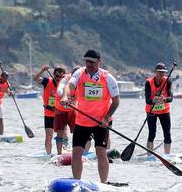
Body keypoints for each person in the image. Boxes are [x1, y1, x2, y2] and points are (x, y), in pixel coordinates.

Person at [65, 50, 120, 183]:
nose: (89, 64)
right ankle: (77, 182)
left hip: (101, 122)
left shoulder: (108, 78)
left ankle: (103, 183)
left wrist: (106, 118)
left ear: (99, 62)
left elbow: (116, 101)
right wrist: (66, 95)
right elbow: (70, 85)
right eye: (87, 61)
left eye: (92, 62)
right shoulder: (80, 73)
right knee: (76, 153)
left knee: (101, 152)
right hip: (82, 121)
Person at [33, 65, 70, 155]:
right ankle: (48, 155)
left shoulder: (65, 84)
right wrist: (42, 70)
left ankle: (64, 152)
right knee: (49, 135)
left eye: (61, 77)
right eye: (57, 76)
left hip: (61, 113)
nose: (59, 78)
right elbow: (35, 78)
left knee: (64, 134)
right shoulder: (47, 81)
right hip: (49, 113)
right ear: (53, 75)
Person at [144, 62, 174, 155]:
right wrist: (154, 100)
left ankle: (167, 156)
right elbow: (147, 100)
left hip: (164, 111)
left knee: (167, 134)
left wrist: (164, 99)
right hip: (151, 110)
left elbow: (171, 98)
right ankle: (149, 155)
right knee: (152, 133)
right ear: (155, 72)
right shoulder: (148, 82)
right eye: (159, 72)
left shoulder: (167, 81)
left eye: (163, 72)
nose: (161, 74)